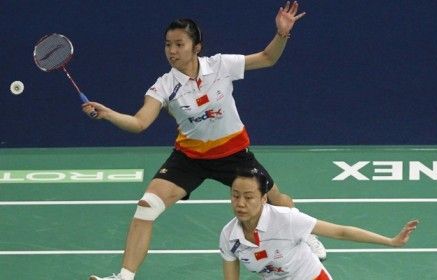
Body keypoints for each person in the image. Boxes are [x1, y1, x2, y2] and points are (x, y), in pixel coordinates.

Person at [85, 2, 324, 280]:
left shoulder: (221, 65)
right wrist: (109, 114)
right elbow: (139, 123)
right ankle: (124, 278)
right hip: (190, 158)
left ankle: (304, 235)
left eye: (179, 44)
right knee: (146, 207)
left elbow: (268, 58)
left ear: (196, 47)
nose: (172, 51)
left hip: (234, 153)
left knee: (278, 202)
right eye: (167, 45)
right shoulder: (164, 85)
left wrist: (282, 34)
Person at [219, 168, 420, 280]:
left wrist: (391, 241)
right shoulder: (229, 236)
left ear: (264, 198)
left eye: (248, 196)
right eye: (235, 196)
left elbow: (341, 232)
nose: (241, 203)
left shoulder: (286, 220)